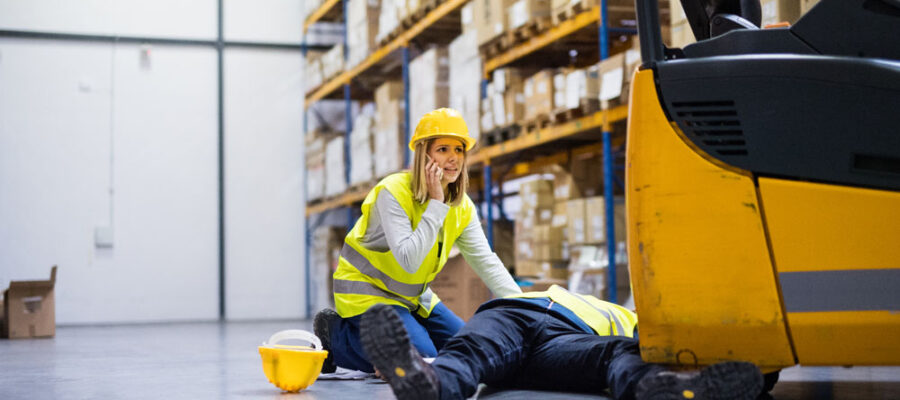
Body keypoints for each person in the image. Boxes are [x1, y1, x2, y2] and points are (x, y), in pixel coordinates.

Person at [314, 108, 522, 373]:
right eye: (443, 149)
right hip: (366, 293)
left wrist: (526, 308)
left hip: (413, 297)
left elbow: (486, 262)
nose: (453, 158)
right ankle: (335, 336)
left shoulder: (463, 207)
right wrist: (436, 203)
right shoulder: (393, 192)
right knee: (421, 360)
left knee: (470, 350)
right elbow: (409, 260)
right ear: (425, 155)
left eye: (459, 150)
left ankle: (400, 339)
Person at [359, 285, 764, 400]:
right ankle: (426, 382)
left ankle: (663, 387)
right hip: (512, 314)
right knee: (470, 352)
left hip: (564, 343)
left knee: (619, 355)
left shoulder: (643, 326)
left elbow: (673, 343)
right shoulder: (616, 310)